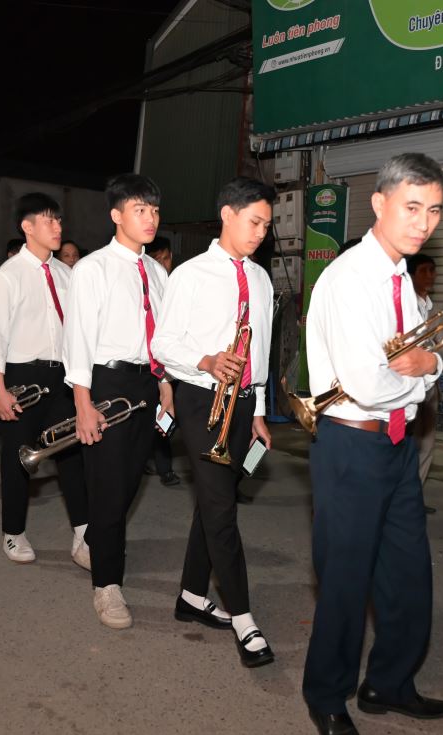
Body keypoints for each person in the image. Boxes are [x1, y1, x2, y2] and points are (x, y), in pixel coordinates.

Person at [301, 153, 443, 735]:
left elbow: (421, 358)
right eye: (412, 207)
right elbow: (368, 381)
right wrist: (424, 374)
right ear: (379, 203)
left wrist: (426, 364)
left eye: (434, 210)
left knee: (408, 574)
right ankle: (327, 696)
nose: (423, 222)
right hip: (351, 445)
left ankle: (388, 683)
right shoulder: (349, 278)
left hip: (397, 445)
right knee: (345, 579)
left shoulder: (402, 279)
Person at [152, 176, 277, 668]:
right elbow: (163, 344)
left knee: (212, 502)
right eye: (254, 222)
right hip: (201, 398)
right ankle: (244, 617)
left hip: (244, 403)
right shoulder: (190, 274)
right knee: (223, 510)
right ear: (227, 214)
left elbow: (260, 352)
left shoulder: (261, 279)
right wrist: (205, 360)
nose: (261, 233)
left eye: (266, 225)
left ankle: (190, 595)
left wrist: (259, 410)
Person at [63, 173, 173, 630]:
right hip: (106, 383)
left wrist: (165, 385)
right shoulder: (93, 269)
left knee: (127, 484)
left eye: (154, 210)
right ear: (116, 215)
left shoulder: (157, 272)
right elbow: (78, 337)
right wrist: (83, 404)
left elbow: (161, 337)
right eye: (139, 210)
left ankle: (93, 540)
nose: (150, 218)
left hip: (147, 384)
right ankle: (107, 586)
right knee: (109, 488)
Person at [0, 193, 89, 568]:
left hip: (63, 376)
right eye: (48, 221)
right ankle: (13, 531)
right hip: (22, 374)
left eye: (58, 220)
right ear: (27, 227)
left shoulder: (67, 274)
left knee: (71, 453)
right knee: (18, 456)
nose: (57, 227)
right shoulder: (8, 276)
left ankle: (83, 532)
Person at [408, 252, 442, 513]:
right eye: (424, 271)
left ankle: (414, 499)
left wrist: (432, 357)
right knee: (407, 445)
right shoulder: (404, 304)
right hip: (407, 386)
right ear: (411, 275)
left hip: (429, 384)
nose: (430, 276)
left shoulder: (433, 309)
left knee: (427, 444)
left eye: (433, 270)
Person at [145, 234, 179, 486]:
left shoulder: (176, 282)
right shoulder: (148, 281)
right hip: (149, 362)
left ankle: (164, 466)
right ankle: (155, 461)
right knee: (152, 413)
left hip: (171, 363)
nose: (163, 264)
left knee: (166, 414)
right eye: (158, 260)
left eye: (166, 258)